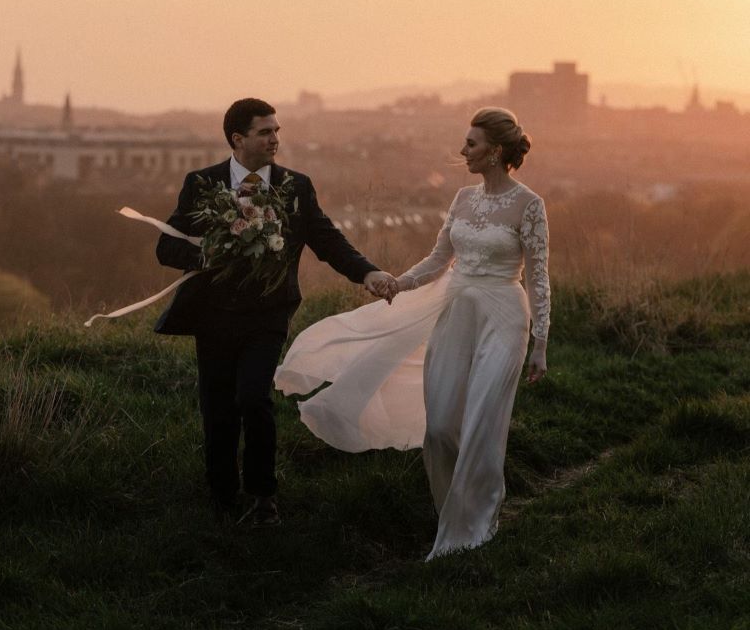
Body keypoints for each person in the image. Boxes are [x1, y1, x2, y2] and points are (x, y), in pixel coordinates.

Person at [274, 106, 549, 559]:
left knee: (482, 424)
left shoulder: (529, 204)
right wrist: (397, 284)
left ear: (496, 151)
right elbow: (439, 259)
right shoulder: (461, 199)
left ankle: (475, 524)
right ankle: (450, 512)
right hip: (456, 313)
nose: (463, 150)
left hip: (505, 317)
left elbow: (538, 277)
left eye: (471, 144)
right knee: (440, 427)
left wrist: (540, 342)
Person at [154, 97, 396, 526]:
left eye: (277, 131)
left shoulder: (296, 187)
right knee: (218, 406)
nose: (275, 140)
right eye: (265, 132)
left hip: (268, 315)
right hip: (214, 315)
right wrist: (210, 255)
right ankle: (222, 495)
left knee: (253, 398)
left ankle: (264, 498)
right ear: (237, 138)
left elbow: (328, 240)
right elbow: (166, 246)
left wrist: (368, 273)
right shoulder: (201, 183)